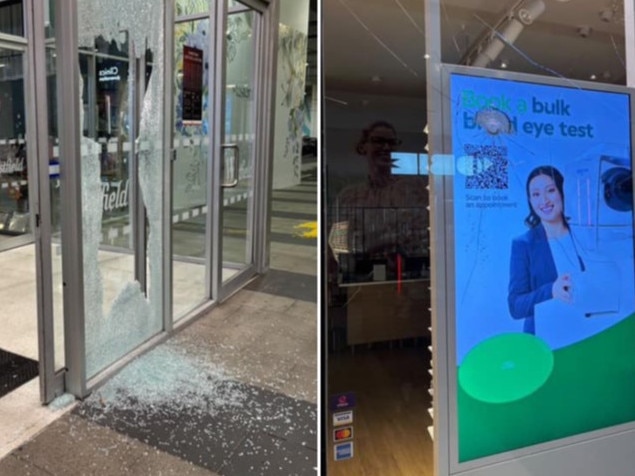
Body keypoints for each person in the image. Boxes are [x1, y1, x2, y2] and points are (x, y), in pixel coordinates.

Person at [328, 120, 428, 280]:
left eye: (391, 142)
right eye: (378, 141)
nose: (386, 147)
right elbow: (338, 245)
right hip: (362, 280)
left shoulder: (414, 190)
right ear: (363, 147)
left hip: (408, 276)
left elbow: (423, 239)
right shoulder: (348, 196)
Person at [508, 165, 586, 333]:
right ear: (530, 200)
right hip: (545, 341)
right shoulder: (523, 244)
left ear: (562, 192)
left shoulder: (584, 235)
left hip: (588, 332)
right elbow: (516, 307)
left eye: (550, 190)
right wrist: (551, 291)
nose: (543, 200)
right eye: (536, 194)